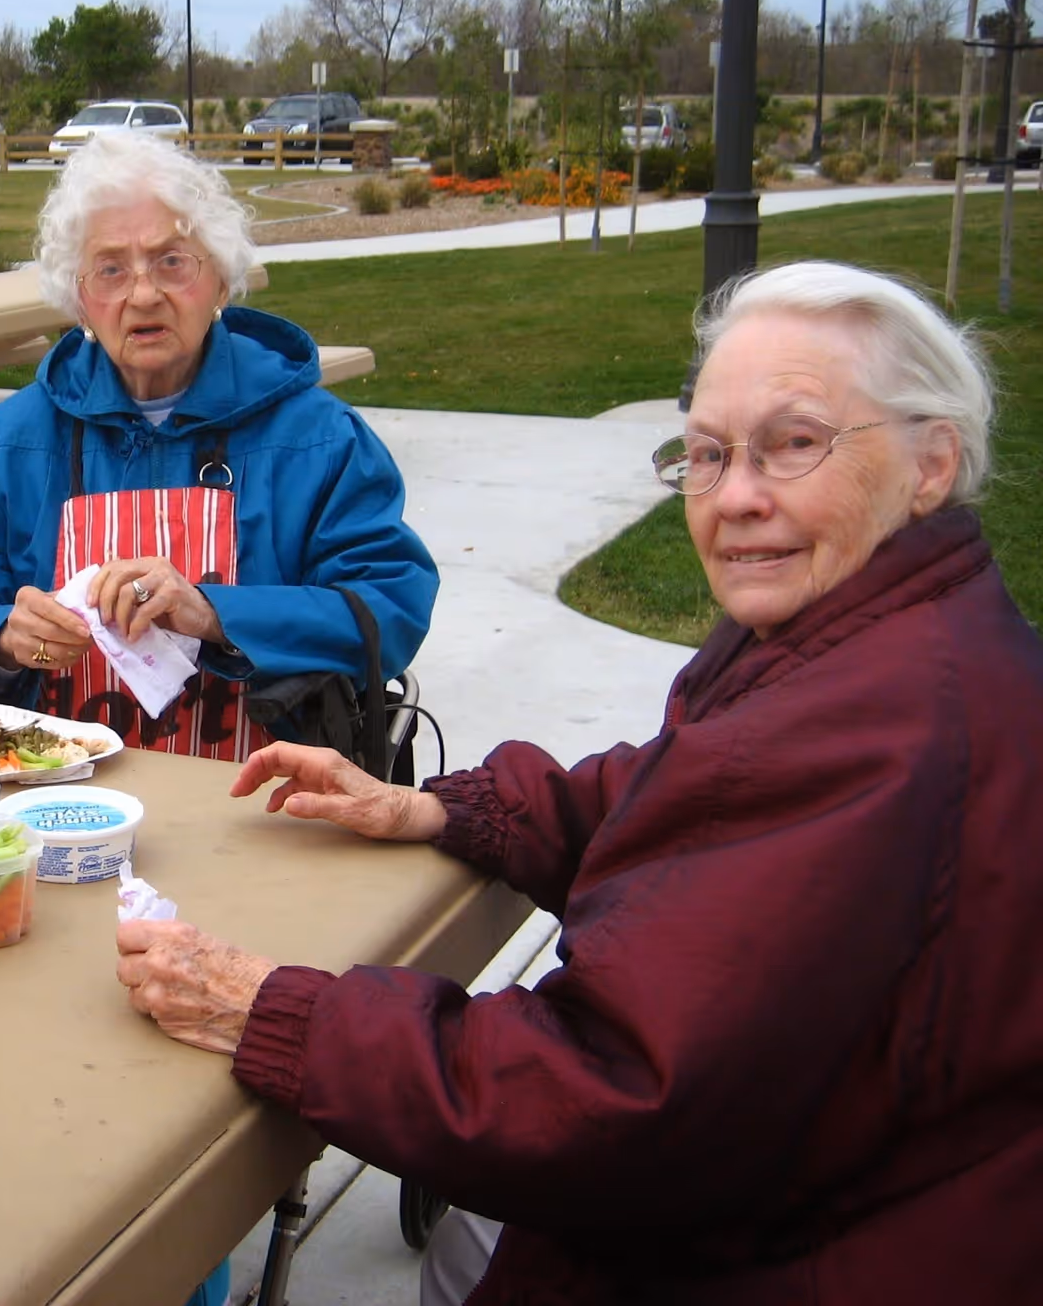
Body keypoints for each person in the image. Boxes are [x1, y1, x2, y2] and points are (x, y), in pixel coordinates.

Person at [113, 260, 1043, 1302]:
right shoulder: (894, 639)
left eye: (794, 443)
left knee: (476, 1248)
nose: (736, 497)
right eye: (706, 452)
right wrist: (439, 807)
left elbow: (608, 1092)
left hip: (803, 1249)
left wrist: (273, 1012)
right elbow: (689, 787)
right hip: (870, 1184)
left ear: (931, 464)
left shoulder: (873, 729)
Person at [0, 131, 437, 761]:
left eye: (172, 261)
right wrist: (2, 637)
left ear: (219, 280)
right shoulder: (2, 448)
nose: (143, 294)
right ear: (80, 298)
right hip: (52, 799)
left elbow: (389, 608)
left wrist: (214, 614)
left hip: (270, 803)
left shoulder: (322, 441)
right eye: (110, 269)